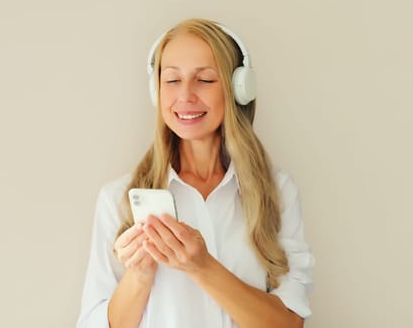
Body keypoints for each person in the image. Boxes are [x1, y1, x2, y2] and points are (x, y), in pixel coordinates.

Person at [76, 18, 314, 328]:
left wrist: (202, 266)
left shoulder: (277, 191)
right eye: (172, 80)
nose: (186, 95)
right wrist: (139, 276)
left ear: (237, 88)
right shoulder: (117, 200)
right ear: (156, 90)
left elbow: (288, 324)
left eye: (205, 80)